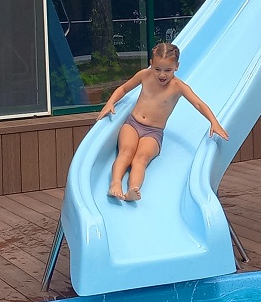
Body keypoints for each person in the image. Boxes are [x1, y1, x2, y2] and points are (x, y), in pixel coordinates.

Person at [96, 42, 228, 201]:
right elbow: (123, 88)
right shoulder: (144, 75)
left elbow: (199, 104)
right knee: (126, 152)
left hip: (153, 132)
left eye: (168, 70)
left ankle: (133, 189)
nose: (162, 75)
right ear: (151, 64)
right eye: (157, 69)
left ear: (176, 67)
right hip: (133, 124)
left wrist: (214, 122)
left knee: (140, 159)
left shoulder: (178, 87)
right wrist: (110, 102)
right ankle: (115, 184)